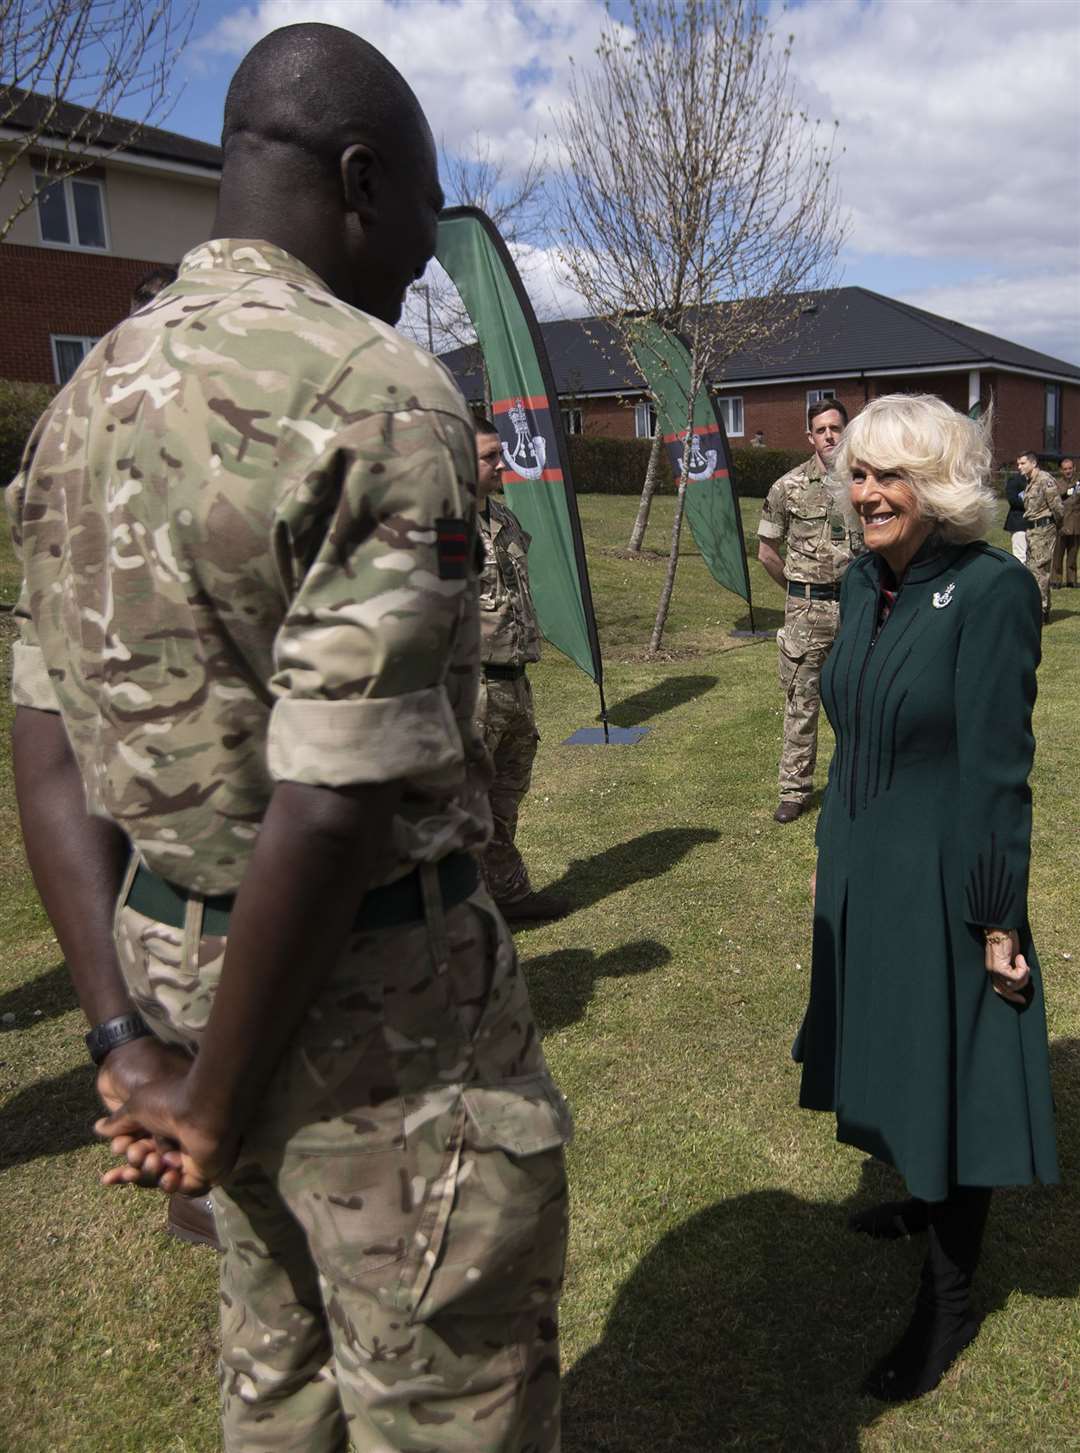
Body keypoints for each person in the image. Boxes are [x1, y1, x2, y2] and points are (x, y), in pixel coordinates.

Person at [7, 23, 570, 1452]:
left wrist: (132, 1043)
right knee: (443, 1401)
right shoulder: (374, 393)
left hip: (185, 993)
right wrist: (215, 1101)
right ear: (363, 180)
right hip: (382, 1021)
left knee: (277, 1369)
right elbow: (337, 799)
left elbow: (48, 744)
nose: (421, 267)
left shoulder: (76, 408)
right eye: (423, 227)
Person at [797, 394, 1058, 1403]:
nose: (867, 492)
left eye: (890, 475)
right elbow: (853, 726)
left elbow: (999, 770)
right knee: (890, 1042)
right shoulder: (865, 581)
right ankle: (916, 1189)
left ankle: (948, 1303)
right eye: (858, 472)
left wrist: (998, 918)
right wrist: (834, 845)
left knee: (954, 1070)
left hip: (952, 873)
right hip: (868, 855)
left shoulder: (994, 592)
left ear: (940, 486)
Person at [474, 417, 569, 922]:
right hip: (472, 687)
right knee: (461, 809)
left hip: (515, 682)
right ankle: (460, 917)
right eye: (489, 457)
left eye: (500, 453)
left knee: (505, 800)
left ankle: (508, 894)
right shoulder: (436, 527)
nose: (501, 464)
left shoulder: (506, 521)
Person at [757, 399, 861, 823]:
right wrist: (798, 592)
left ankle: (859, 782)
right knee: (801, 702)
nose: (830, 436)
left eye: (836, 427)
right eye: (821, 430)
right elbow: (766, 552)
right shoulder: (788, 487)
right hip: (807, 613)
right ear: (811, 437)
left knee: (861, 699)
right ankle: (794, 790)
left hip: (857, 608)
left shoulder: (863, 483)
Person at [1017, 449, 1063, 621]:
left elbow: (1057, 507)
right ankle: (1041, 607)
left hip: (1043, 530)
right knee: (1034, 570)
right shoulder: (1030, 481)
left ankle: (1041, 611)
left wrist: (1054, 526)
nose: (1019, 467)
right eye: (1018, 464)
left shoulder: (1045, 480)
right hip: (1032, 531)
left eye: (1022, 463)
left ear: (1033, 463)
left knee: (1039, 571)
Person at [1050, 456, 1078, 587]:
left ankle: (1072, 580)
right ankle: (1056, 579)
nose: (1068, 471)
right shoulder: (1057, 483)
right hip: (1061, 523)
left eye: (1070, 468)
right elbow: (1056, 499)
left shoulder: (1079, 483)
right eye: (1065, 469)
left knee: (1073, 553)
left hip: (1076, 523)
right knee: (1058, 554)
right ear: (1061, 470)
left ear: (1074, 468)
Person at [1003, 467, 1027, 563]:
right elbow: (1013, 500)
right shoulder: (1014, 480)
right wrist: (1033, 504)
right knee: (1020, 556)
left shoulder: (1038, 480)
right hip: (1019, 522)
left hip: (1034, 523)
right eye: (1021, 463)